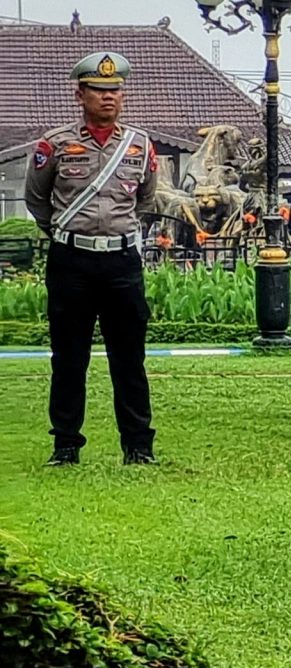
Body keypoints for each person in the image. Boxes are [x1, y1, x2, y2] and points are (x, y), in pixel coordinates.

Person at [31, 50, 161, 467]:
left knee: (130, 357)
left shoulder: (139, 144)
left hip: (122, 261)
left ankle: (138, 446)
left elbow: (146, 198)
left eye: (115, 90)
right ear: (80, 94)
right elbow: (37, 198)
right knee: (69, 356)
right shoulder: (54, 143)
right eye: (99, 90)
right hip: (72, 261)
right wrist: (66, 232)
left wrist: (117, 232)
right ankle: (66, 445)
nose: (108, 98)